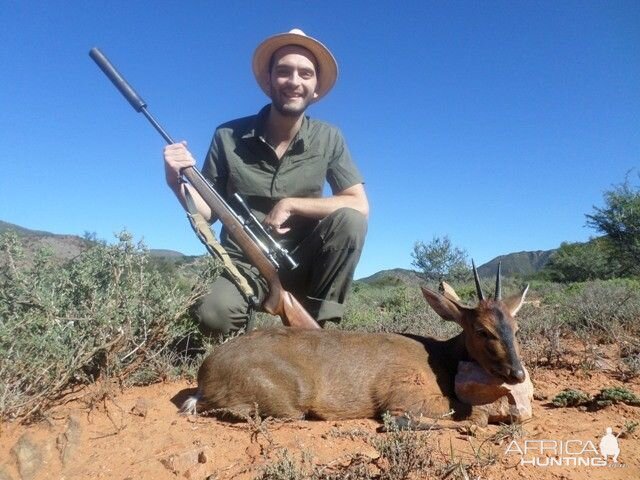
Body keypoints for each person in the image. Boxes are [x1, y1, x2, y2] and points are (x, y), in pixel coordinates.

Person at [163, 29, 369, 336]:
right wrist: (175, 182)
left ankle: (322, 336)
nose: (294, 81)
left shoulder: (329, 137)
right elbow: (208, 212)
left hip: (304, 262)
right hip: (245, 264)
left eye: (305, 74)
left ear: (315, 88)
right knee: (213, 315)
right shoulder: (226, 136)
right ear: (269, 80)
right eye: (284, 72)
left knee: (351, 220)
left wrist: (291, 203)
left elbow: (359, 204)